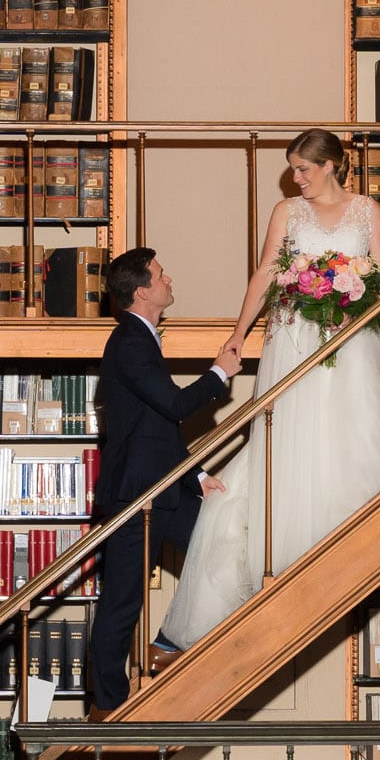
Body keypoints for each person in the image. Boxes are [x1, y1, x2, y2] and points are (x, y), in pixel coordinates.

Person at [157, 129, 380, 653]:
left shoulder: (367, 212)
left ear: (333, 165)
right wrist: (238, 332)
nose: (296, 178)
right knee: (289, 434)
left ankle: (347, 549)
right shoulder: (286, 213)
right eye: (293, 169)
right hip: (295, 337)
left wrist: (362, 303)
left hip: (351, 341)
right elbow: (266, 273)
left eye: (304, 169)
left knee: (351, 435)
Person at [86, 248, 239, 717]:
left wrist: (196, 475)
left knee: (223, 549)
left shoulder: (142, 338)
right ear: (142, 291)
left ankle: (170, 643)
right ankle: (106, 708)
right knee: (122, 601)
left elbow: (153, 427)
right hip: (137, 501)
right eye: (159, 274)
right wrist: (219, 373)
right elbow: (173, 406)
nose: (168, 277)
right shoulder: (129, 341)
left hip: (164, 491)